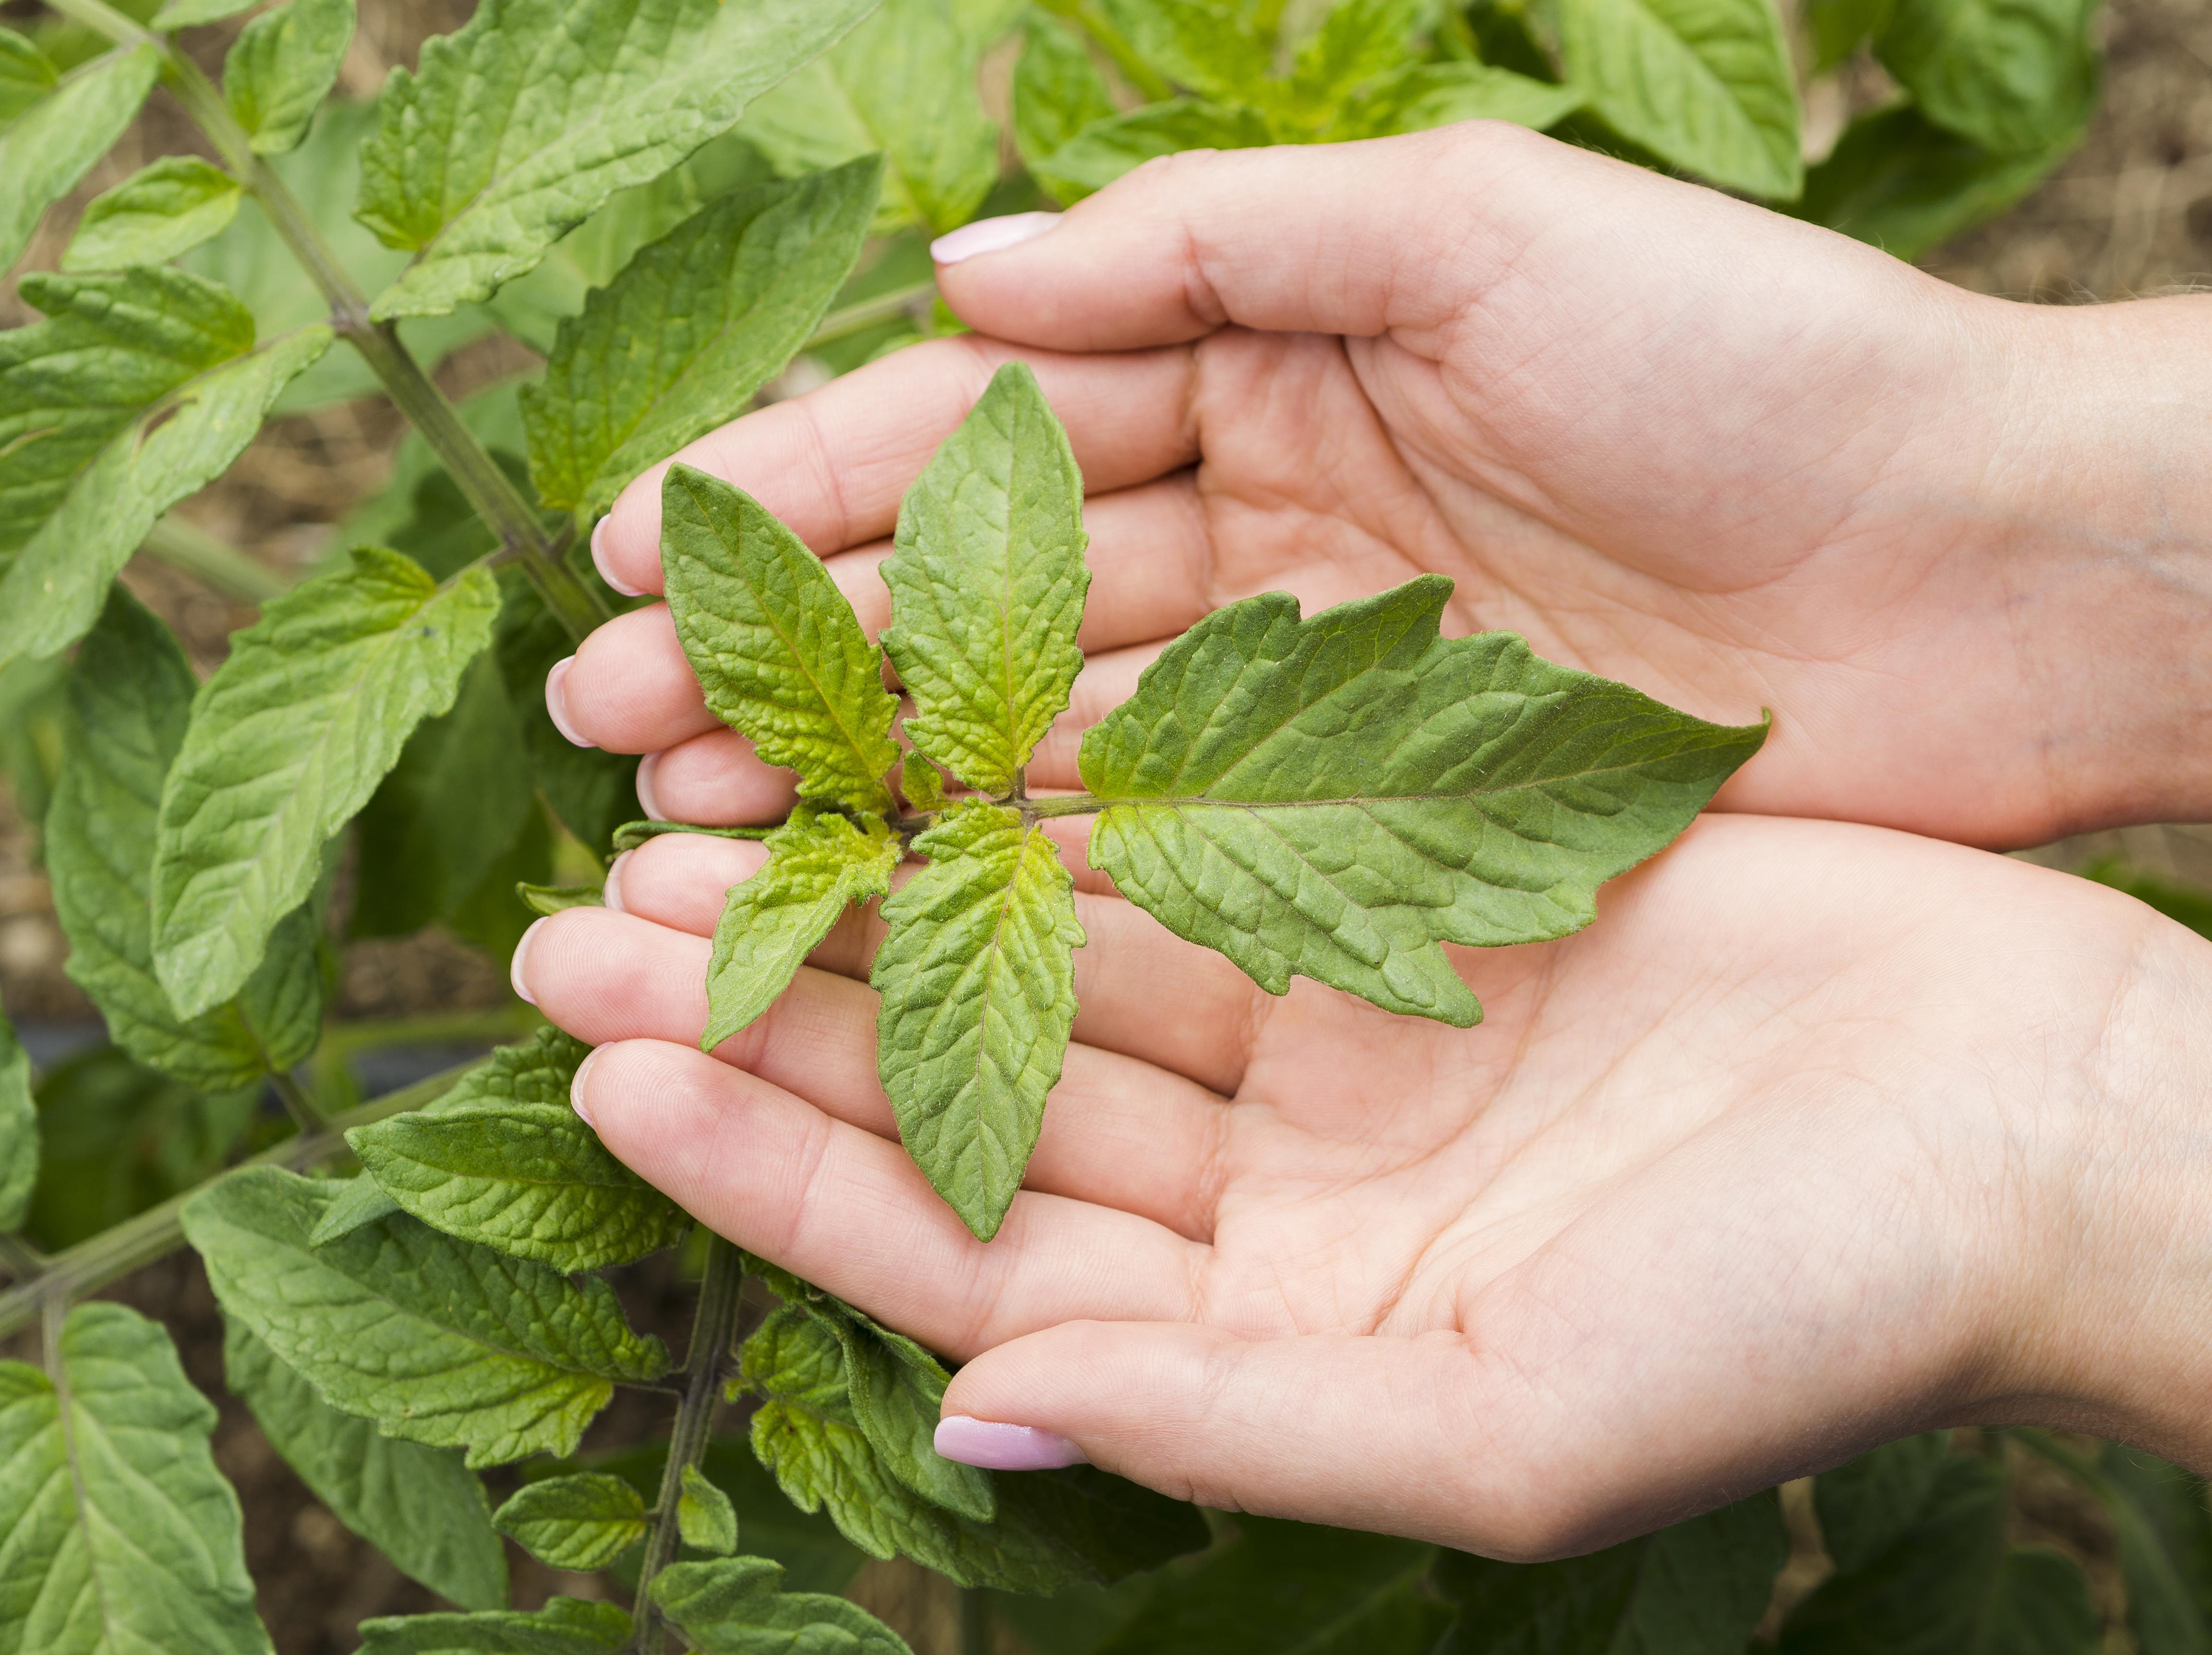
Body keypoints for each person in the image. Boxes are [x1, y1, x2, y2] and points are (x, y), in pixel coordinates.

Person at [507, 121, 2212, 1559]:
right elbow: (956, 495)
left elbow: (976, 487)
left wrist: (2085, 1165)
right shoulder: (1009, 760)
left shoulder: (1030, 756)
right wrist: (2067, 1158)